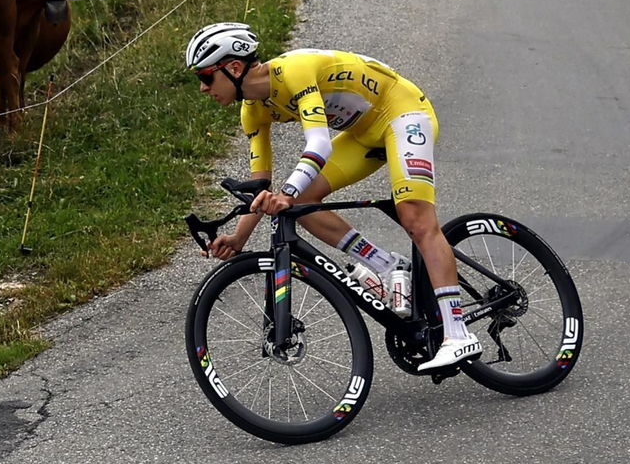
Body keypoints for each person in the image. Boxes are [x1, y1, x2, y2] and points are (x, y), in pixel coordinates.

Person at [186, 22, 481, 373]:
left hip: (401, 113)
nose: (203, 88)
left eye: (205, 76)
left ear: (234, 68)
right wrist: (238, 236)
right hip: (362, 133)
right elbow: (260, 188)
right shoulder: (252, 110)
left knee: (416, 219)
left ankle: (458, 332)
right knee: (298, 205)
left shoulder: (293, 71)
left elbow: (320, 144)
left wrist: (286, 192)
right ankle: (387, 265)